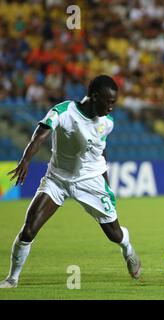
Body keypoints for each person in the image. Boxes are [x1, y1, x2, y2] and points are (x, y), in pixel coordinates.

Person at [0, 75, 141, 289]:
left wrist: (105, 184)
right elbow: (40, 135)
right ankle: (12, 278)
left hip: (90, 180)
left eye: (114, 102)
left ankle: (128, 248)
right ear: (94, 97)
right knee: (29, 228)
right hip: (58, 178)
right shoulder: (64, 111)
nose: (112, 108)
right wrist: (26, 159)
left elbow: (101, 153)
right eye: (109, 102)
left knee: (115, 235)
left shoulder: (107, 123)